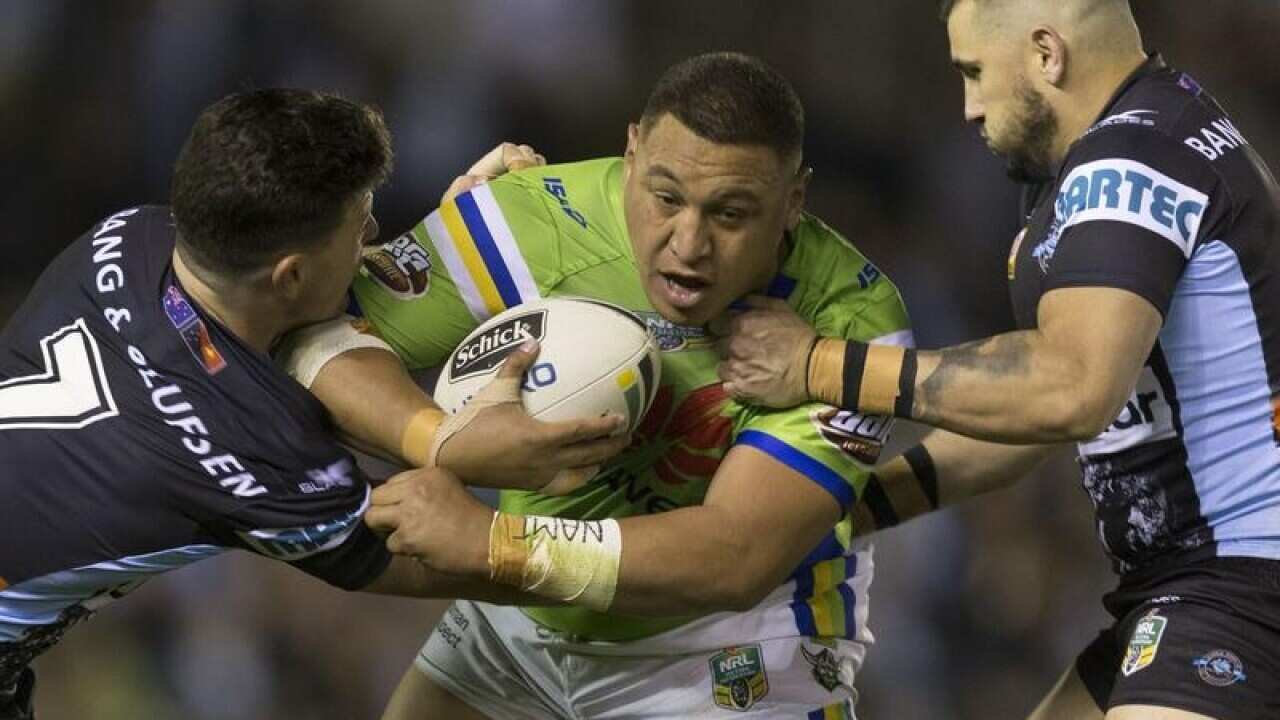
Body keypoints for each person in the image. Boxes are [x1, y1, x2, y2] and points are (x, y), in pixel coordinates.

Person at [280, 52, 913, 718]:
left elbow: (736, 557)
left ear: (793, 202)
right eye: (665, 198)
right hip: (523, 616)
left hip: (728, 649)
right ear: (632, 151)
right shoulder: (533, 221)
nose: (688, 243)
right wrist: (442, 442)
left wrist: (495, 543)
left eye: (730, 215)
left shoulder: (851, 323)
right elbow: (320, 337)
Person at [717, 1, 1280, 719]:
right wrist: (850, 510)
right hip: (1184, 590)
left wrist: (819, 365)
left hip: (1241, 586)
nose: (968, 107)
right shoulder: (1142, 140)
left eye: (975, 73)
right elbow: (1035, 417)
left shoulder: (1130, 162)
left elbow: (1068, 388)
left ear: (1047, 53)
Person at [0, 89, 618, 720]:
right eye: (360, 226)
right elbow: (455, 558)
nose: (371, 236)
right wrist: (629, 557)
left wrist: (464, 240)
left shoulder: (128, 237)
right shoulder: (257, 459)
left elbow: (249, 348)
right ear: (290, 276)